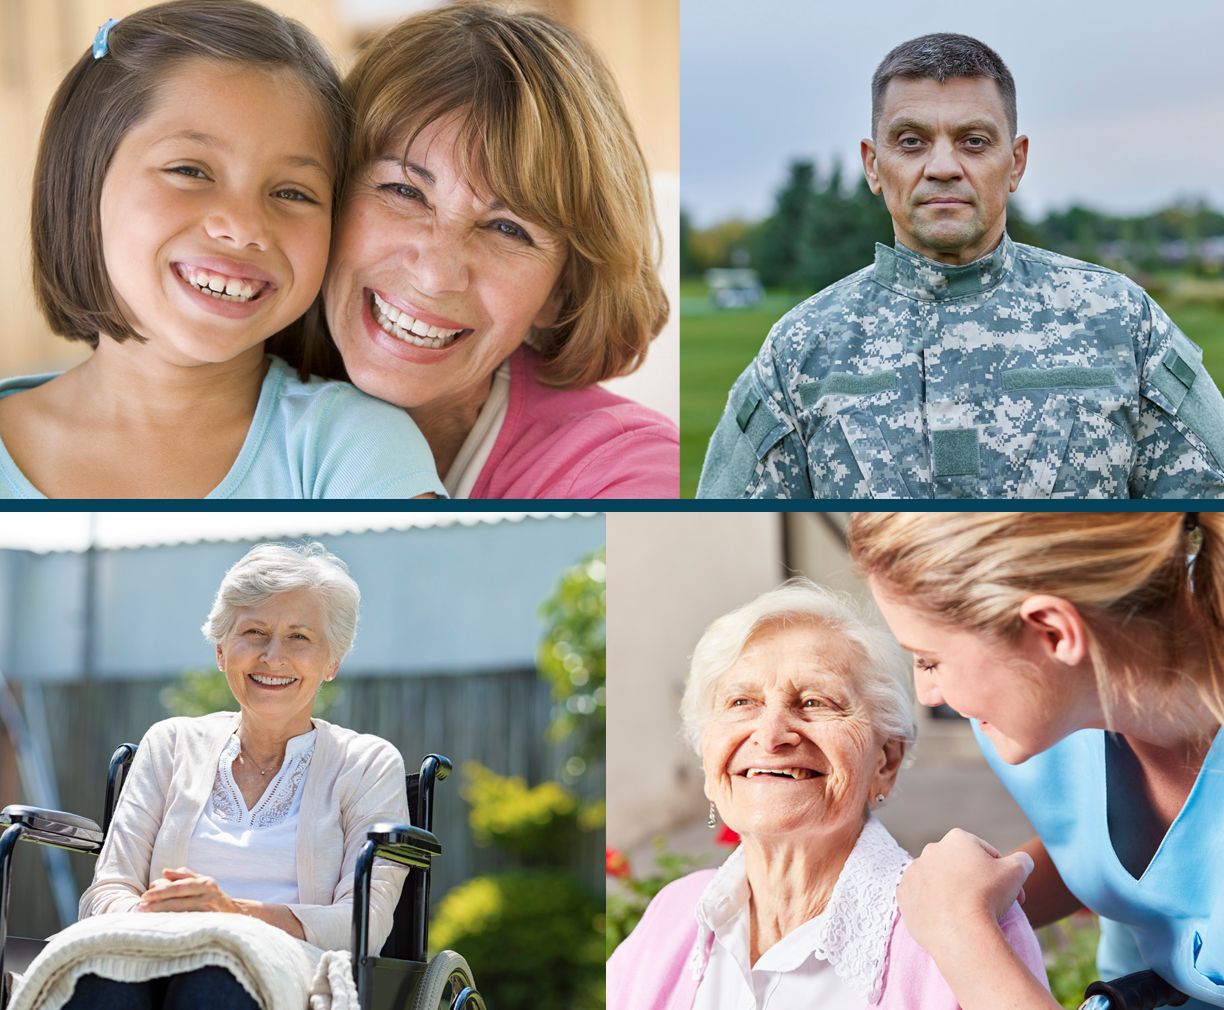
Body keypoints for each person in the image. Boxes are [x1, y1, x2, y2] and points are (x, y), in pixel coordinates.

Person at [0, 0, 441, 499]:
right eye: (189, 170)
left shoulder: (356, 449)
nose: (243, 227)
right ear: (81, 181)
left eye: (291, 193)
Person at [697, 33, 1224, 499]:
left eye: (974, 142)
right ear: (873, 165)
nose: (944, 168)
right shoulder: (800, 350)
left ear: (1015, 161)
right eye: (911, 142)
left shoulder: (1121, 321)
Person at [274, 2, 677, 498]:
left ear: (561, 290)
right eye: (404, 191)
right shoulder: (208, 391)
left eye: (509, 229)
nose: (436, 274)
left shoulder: (628, 473)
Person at [850, 512, 1224, 1008]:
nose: (927, 692)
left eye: (929, 659)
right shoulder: (1048, 720)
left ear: (1052, 632)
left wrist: (960, 929)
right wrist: (965, 900)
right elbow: (1108, 854)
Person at [608, 582, 1043, 1009]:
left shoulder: (965, 924)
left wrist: (967, 925)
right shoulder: (674, 915)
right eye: (741, 702)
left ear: (885, 762)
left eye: (815, 702)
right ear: (707, 757)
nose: (772, 734)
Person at [27, 543, 407, 1008]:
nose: (272, 656)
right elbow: (107, 889)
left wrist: (230, 915)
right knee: (98, 981)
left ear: (332, 662)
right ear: (222, 650)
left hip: (288, 967)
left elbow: (363, 923)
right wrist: (161, 924)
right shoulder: (170, 744)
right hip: (150, 949)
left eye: (299, 637)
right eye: (255, 631)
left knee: (212, 981)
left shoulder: (367, 764)